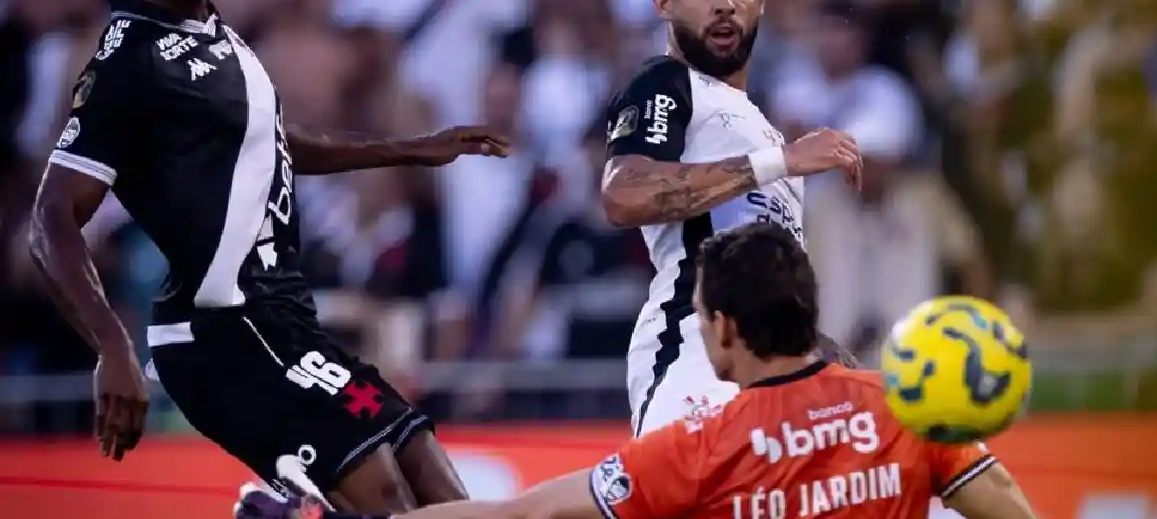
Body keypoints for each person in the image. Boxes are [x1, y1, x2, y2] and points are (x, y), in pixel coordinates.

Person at [27, 0, 509, 514]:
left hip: (287, 321)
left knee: (434, 477)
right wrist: (111, 344)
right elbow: (51, 215)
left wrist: (404, 148)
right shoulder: (126, 63)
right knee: (385, 495)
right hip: (223, 334)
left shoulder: (221, 38)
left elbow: (272, 146)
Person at [235, 222, 1039, 519]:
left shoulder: (699, 446)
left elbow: (523, 515)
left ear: (723, 328)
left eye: (696, 311)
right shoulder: (903, 406)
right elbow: (1007, 509)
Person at [598, 0, 863, 436]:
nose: (724, 4)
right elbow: (623, 195)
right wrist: (780, 162)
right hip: (695, 348)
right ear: (664, 3)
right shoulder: (667, 82)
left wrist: (828, 359)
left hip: (773, 367)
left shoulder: (758, 125)